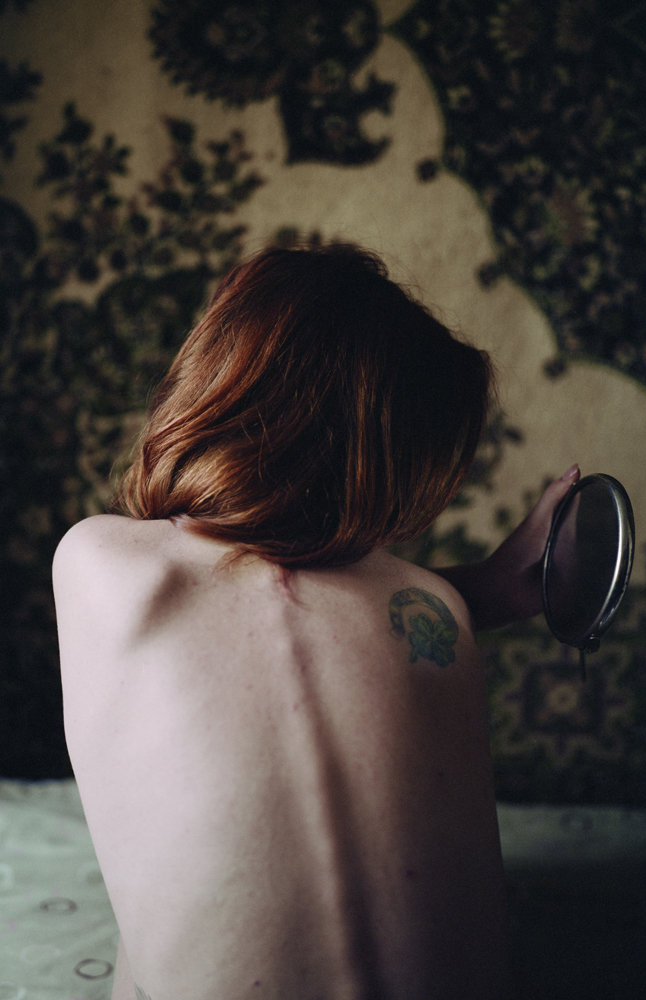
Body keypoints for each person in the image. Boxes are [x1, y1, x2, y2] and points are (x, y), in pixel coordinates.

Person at [53, 244, 579, 1000]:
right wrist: (485, 592)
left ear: (222, 381)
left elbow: (244, 596)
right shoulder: (438, 612)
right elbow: (320, 599)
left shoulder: (103, 563)